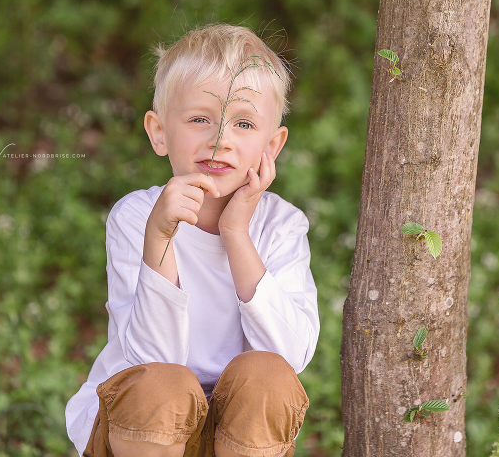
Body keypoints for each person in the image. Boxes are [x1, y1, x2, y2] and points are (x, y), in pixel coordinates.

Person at [65, 23, 320, 457]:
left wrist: (236, 233)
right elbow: (152, 359)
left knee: (267, 375)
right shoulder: (137, 217)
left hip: (236, 434)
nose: (220, 140)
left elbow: (289, 357)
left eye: (243, 123)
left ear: (272, 145)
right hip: (139, 433)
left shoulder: (281, 226)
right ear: (159, 132)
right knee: (165, 384)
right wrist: (161, 235)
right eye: (200, 119)